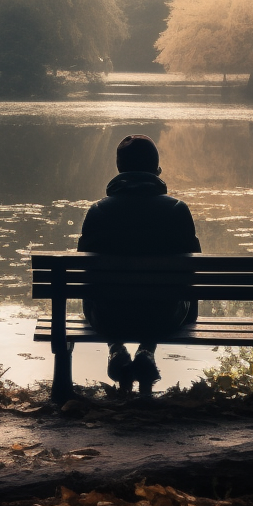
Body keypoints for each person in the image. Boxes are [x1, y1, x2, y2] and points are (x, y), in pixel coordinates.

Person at [77, 134, 201, 392]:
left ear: (120, 169)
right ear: (156, 170)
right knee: (161, 299)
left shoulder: (97, 212)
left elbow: (85, 275)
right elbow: (192, 271)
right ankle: (146, 349)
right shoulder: (178, 210)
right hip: (165, 318)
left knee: (99, 295)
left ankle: (116, 348)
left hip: (108, 319)